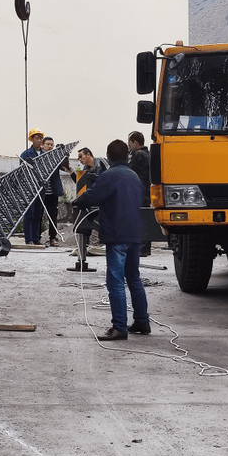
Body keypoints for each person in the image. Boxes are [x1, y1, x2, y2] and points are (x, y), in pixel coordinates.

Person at [73, 139, 150, 340]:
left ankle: (119, 328)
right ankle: (142, 322)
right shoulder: (134, 176)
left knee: (115, 280)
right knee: (133, 277)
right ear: (127, 156)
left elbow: (91, 197)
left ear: (108, 157)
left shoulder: (109, 176)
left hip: (117, 235)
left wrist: (78, 201)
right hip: (135, 234)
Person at [20, 127, 45, 245]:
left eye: (41, 138)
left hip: (41, 187)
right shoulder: (25, 154)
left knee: (38, 214)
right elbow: (21, 173)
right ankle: (29, 239)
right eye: (37, 138)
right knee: (29, 213)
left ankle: (36, 238)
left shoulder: (46, 155)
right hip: (29, 188)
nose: (39, 140)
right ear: (32, 139)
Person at [128, 131, 151, 256]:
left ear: (135, 142)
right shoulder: (148, 154)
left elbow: (129, 170)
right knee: (146, 218)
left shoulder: (138, 154)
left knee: (138, 219)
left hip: (138, 191)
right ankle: (146, 247)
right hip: (147, 191)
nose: (129, 145)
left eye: (129, 142)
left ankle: (141, 247)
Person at [41, 137, 65, 246]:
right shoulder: (39, 157)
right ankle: (37, 238)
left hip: (53, 192)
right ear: (42, 145)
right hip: (41, 192)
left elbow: (64, 166)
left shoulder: (55, 158)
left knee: (53, 216)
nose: (50, 146)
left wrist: (62, 153)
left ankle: (52, 238)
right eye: (48, 144)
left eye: (52, 145)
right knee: (38, 215)